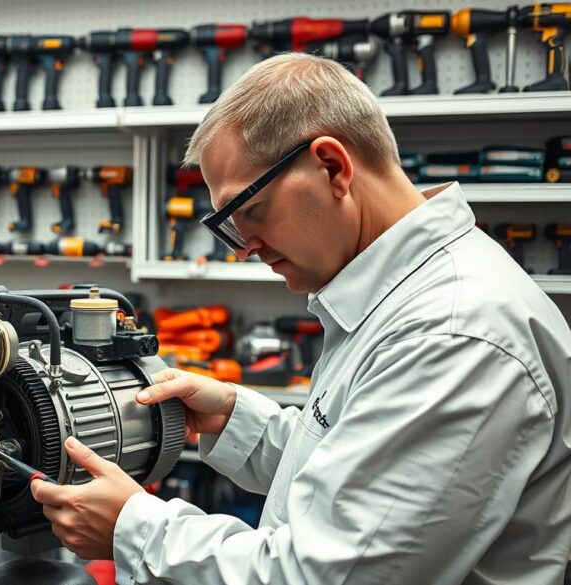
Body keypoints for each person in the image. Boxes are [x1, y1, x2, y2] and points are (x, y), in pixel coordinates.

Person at [31, 52, 571, 584]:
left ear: (332, 167)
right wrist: (238, 418)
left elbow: (327, 575)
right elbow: (358, 464)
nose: (244, 248)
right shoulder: (402, 295)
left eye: (249, 211)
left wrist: (135, 527)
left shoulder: (450, 332)